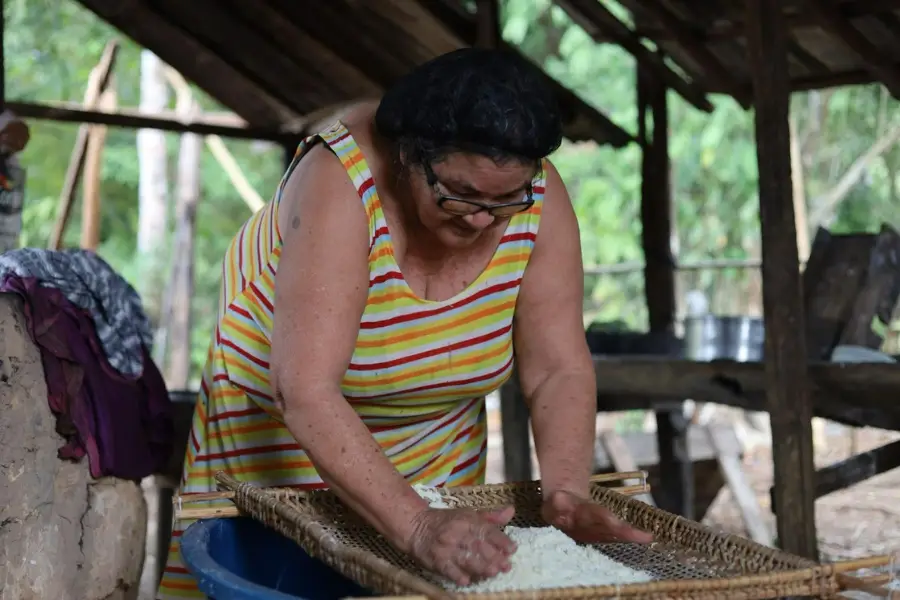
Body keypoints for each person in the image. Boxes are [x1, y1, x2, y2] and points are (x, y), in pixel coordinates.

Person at [158, 47, 651, 599]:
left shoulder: (535, 197)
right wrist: (416, 524)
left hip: (435, 454)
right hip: (281, 444)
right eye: (460, 195)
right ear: (407, 158)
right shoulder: (339, 181)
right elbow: (304, 391)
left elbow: (558, 368)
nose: (484, 218)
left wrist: (566, 492)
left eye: (505, 200)